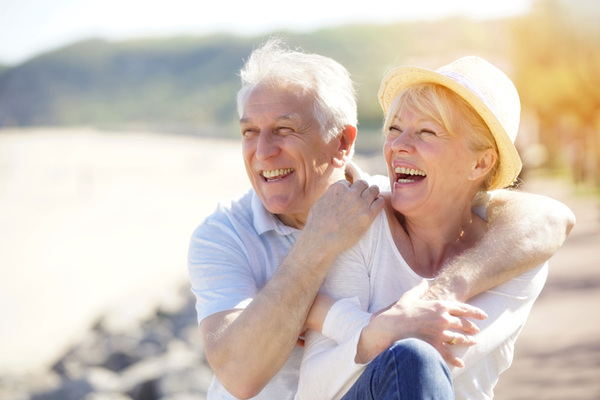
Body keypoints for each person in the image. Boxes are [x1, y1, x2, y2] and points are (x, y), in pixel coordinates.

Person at [188, 39, 575, 400]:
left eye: (284, 130)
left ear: (343, 142)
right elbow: (240, 374)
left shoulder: (374, 214)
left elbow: (549, 216)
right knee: (414, 358)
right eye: (249, 133)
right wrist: (317, 247)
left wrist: (438, 292)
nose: (262, 151)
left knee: (416, 360)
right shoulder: (224, 234)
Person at [296, 57, 564, 400]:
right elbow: (314, 390)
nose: (398, 146)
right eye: (394, 129)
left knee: (416, 359)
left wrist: (333, 316)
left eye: (426, 132)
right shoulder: (363, 224)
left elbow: (436, 360)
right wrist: (371, 332)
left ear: (480, 163)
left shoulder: (516, 259)